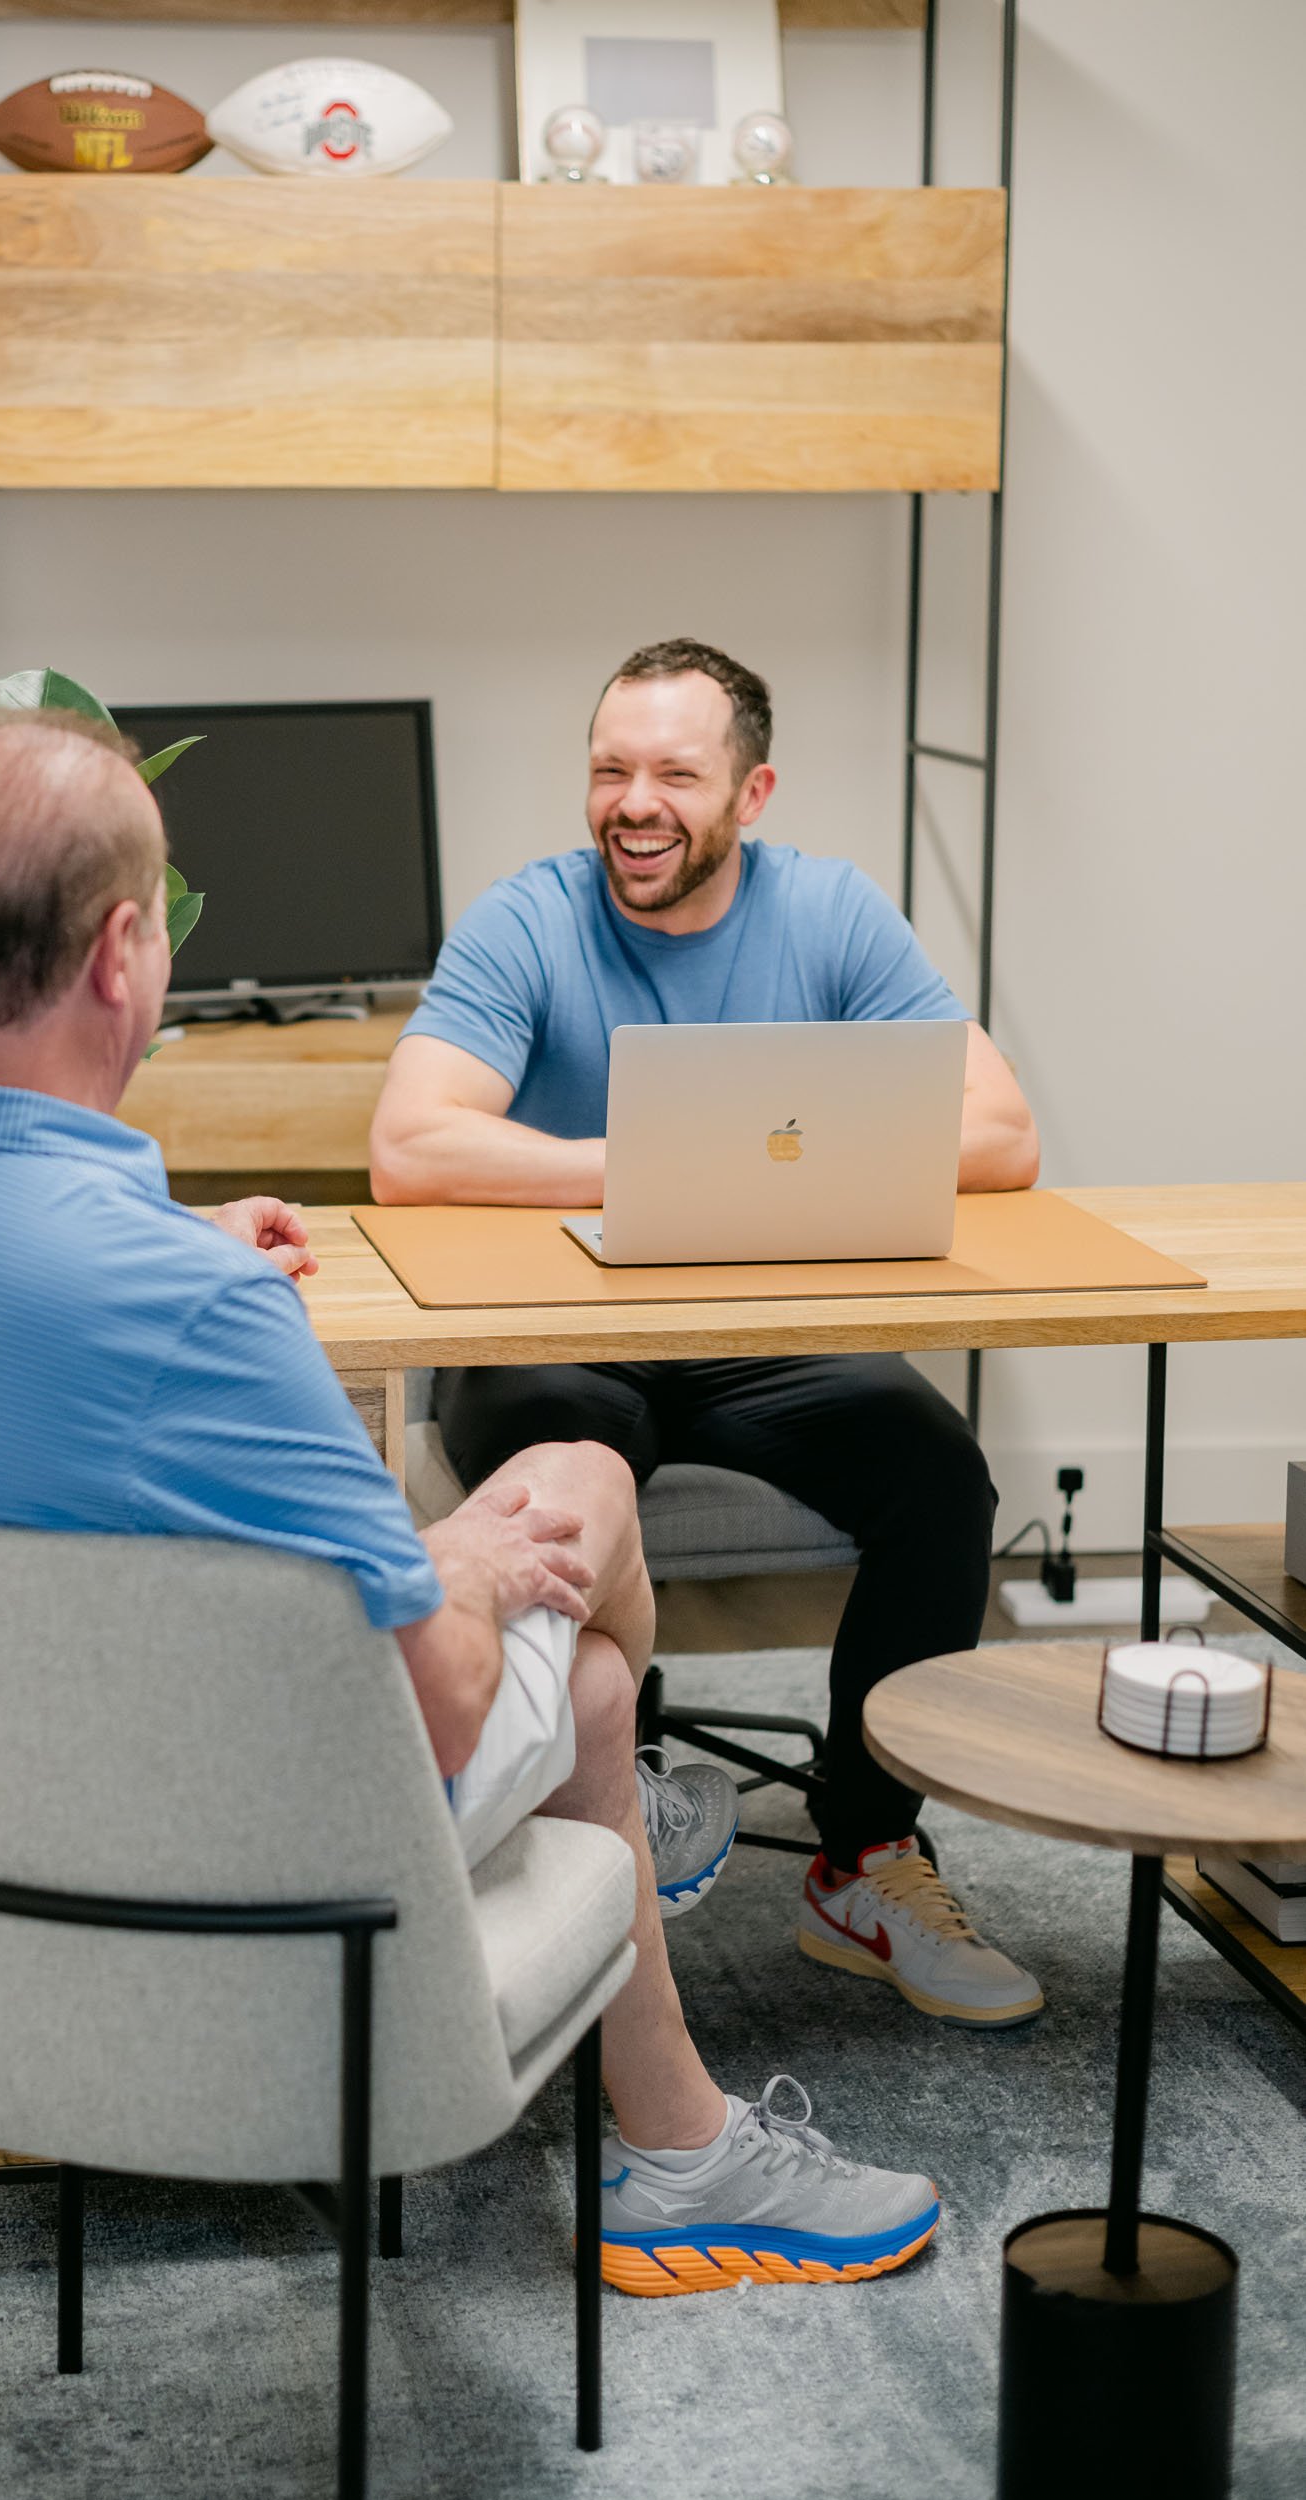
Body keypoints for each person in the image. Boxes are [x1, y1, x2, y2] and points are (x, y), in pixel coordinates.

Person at [0, 707, 940, 2296]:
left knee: (519, 1574)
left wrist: (180, 1245)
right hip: (231, 1883)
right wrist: (468, 1566)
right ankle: (681, 2155)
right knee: (574, 1554)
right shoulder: (197, 1317)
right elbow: (428, 1716)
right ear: (123, 956)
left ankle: (643, 1889)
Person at [370, 637, 1045, 2029]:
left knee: (941, 1478)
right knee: (586, 1458)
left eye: (676, 772)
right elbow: (410, 1147)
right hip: (554, 1331)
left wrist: (733, 1166)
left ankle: (863, 1860)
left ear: (755, 790)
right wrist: (646, 1162)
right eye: (611, 770)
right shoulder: (528, 920)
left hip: (758, 1334)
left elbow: (1003, 1133)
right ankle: (576, 1834)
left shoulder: (836, 914)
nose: (635, 802)